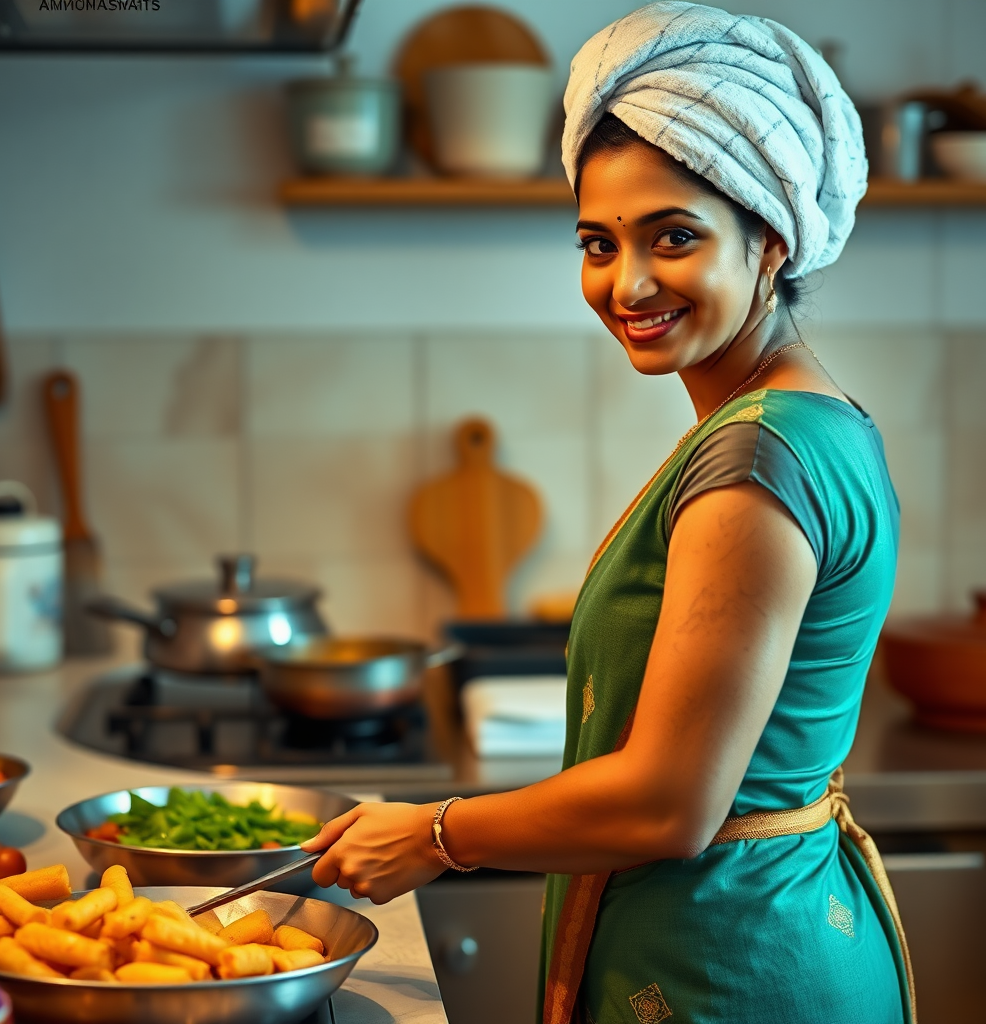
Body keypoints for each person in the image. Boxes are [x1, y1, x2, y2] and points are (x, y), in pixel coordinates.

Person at [302, 4, 913, 1022]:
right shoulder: (820, 422)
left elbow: (669, 802)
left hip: (725, 966)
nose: (625, 283)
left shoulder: (756, 457)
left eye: (674, 237)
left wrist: (435, 832)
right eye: (597, 241)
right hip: (757, 932)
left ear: (767, 242)